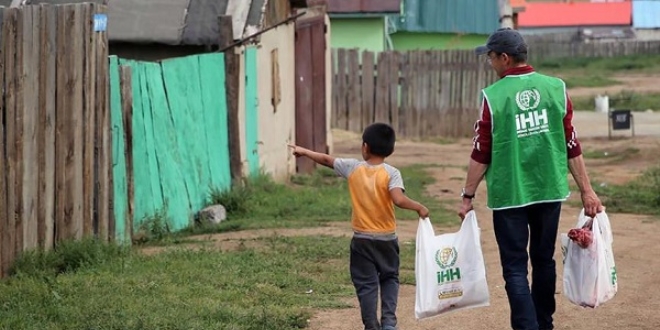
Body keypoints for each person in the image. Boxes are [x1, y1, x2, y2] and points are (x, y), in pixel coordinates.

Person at [457, 28, 604, 330]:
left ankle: (527, 327)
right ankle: (544, 324)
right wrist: (587, 191)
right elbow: (571, 143)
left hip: (510, 194)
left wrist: (467, 195)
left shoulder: (493, 97)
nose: (490, 62)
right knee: (544, 260)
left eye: (491, 57)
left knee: (514, 267)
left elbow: (481, 152)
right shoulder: (556, 88)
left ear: (505, 58)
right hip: (549, 191)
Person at [289, 122, 429, 330]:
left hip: (362, 240)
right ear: (391, 149)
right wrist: (419, 207)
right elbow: (398, 199)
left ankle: (371, 324)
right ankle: (389, 322)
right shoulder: (392, 173)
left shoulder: (353, 168)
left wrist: (304, 151)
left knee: (366, 284)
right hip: (387, 239)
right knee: (390, 278)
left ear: (365, 147)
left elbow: (327, 160)